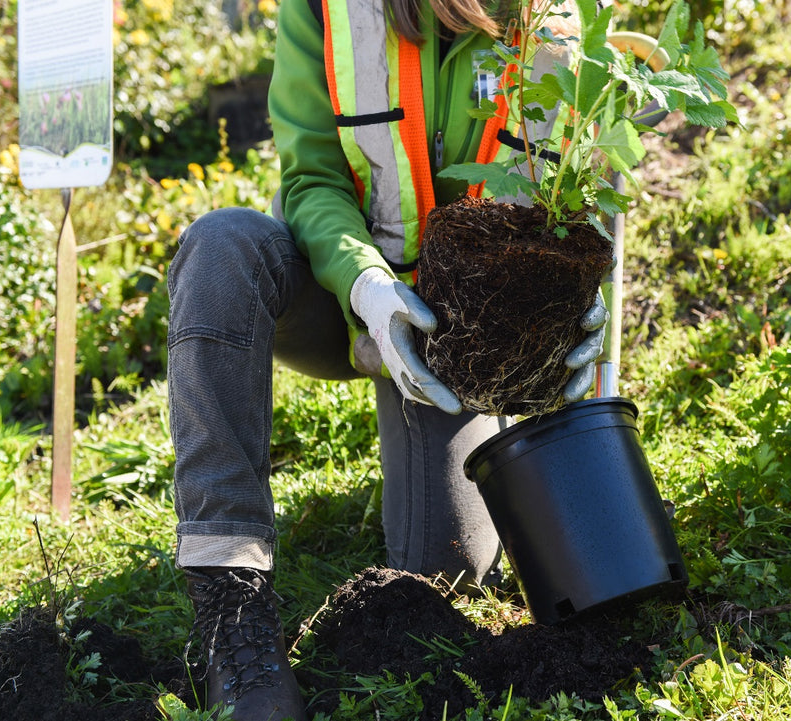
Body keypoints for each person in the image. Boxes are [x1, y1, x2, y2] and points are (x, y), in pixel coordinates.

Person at [166, 0, 605, 718]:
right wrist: (369, 288)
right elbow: (311, 181)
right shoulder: (325, 9)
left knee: (447, 572)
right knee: (222, 248)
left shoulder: (562, 17)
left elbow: (580, 181)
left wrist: (579, 290)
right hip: (341, 293)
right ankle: (230, 599)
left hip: (460, 340)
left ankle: (452, 435)